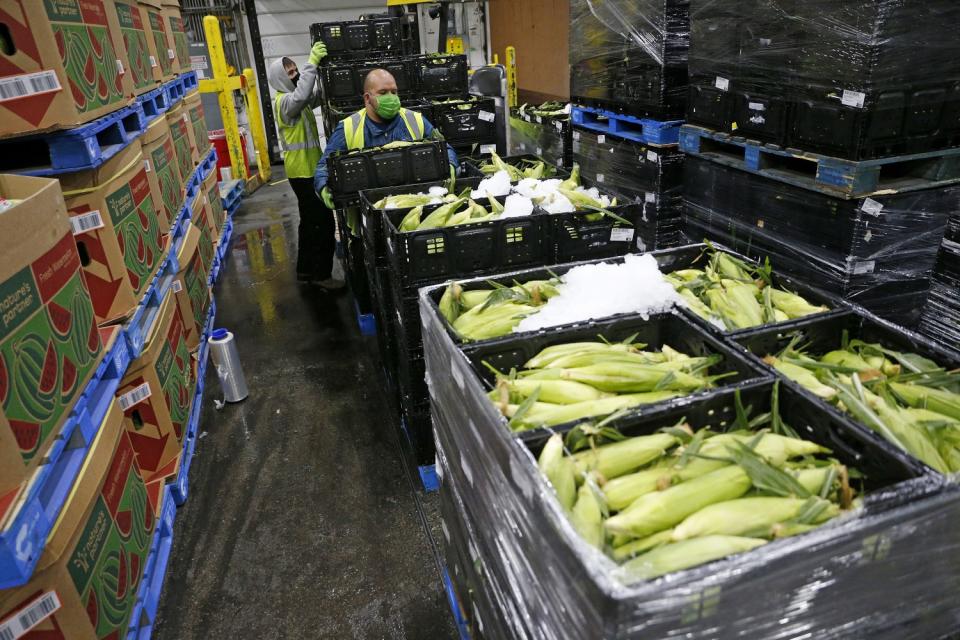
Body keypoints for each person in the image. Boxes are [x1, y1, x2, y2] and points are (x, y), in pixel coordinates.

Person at [313, 68, 458, 211]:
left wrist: (450, 163)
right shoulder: (348, 128)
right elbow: (324, 166)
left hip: (416, 206)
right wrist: (323, 186)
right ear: (367, 98)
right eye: (383, 93)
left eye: (394, 92)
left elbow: (445, 148)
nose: (391, 97)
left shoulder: (415, 120)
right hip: (367, 213)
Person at [266, 42, 343, 289]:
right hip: (303, 173)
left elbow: (312, 96)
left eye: (296, 70)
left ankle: (305, 271)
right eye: (289, 73)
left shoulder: (294, 100)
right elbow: (301, 96)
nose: (296, 75)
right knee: (322, 224)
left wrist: (326, 73)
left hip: (306, 170)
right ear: (279, 79)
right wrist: (311, 64)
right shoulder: (284, 103)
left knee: (309, 224)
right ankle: (322, 276)